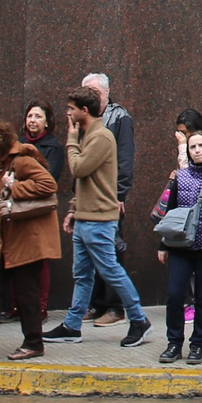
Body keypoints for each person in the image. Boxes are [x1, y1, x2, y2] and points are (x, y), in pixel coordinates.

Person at [57, 84, 149, 347]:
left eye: (71, 109)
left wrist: (71, 140)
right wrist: (74, 209)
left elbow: (78, 168)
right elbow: (86, 182)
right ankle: (72, 326)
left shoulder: (100, 137)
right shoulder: (91, 135)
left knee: (111, 270)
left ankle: (139, 321)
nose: (68, 113)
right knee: (83, 275)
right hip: (86, 216)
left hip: (99, 219)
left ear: (84, 111)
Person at [0, 118, 56, 360]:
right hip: (6, 237)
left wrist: (15, 187)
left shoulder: (22, 159)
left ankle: (34, 343)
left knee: (27, 293)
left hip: (27, 238)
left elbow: (49, 184)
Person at [152, 130, 202, 364]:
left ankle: (197, 344)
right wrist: (163, 245)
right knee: (174, 296)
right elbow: (169, 215)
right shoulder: (180, 177)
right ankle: (174, 343)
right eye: (192, 147)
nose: (197, 151)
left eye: (201, 146)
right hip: (181, 247)